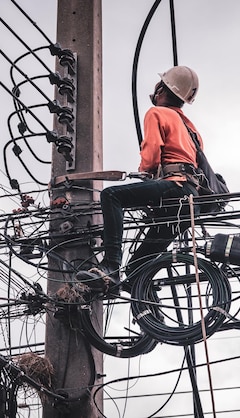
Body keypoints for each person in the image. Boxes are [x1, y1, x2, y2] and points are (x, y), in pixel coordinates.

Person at [76, 65, 203, 296]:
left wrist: (145, 171)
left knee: (112, 196)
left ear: (161, 89)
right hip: (189, 203)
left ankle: (111, 266)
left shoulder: (156, 113)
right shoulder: (191, 129)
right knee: (137, 270)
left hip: (175, 187)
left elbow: (152, 154)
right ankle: (150, 319)